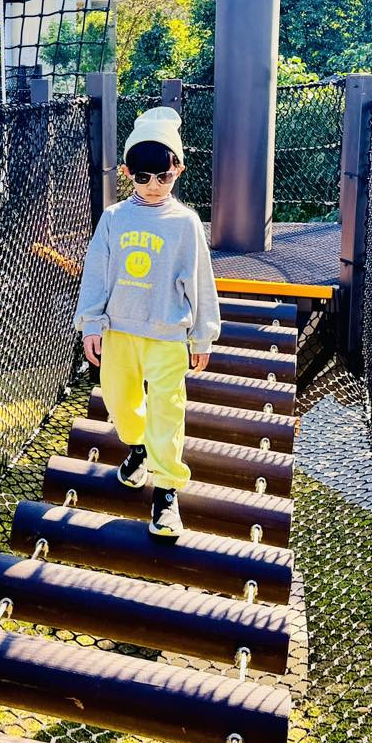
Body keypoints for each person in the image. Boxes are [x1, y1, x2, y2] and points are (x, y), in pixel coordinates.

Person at [73, 106, 221, 538]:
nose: (154, 187)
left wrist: (202, 336)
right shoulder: (116, 218)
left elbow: (200, 281)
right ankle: (136, 447)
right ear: (127, 172)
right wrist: (92, 323)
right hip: (120, 332)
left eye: (164, 176)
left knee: (167, 411)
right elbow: (97, 272)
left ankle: (167, 491)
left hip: (167, 335)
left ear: (178, 169)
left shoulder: (185, 223)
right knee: (120, 403)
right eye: (143, 177)